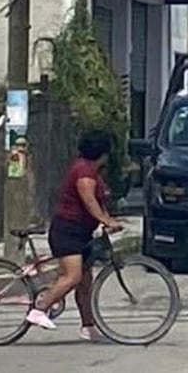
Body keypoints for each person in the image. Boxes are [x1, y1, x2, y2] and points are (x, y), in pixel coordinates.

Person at [26, 130, 122, 340]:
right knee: (73, 276)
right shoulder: (84, 174)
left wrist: (107, 219)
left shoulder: (92, 172)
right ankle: (39, 309)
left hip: (81, 232)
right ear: (103, 153)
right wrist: (105, 220)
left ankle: (88, 326)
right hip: (67, 231)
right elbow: (89, 202)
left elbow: (99, 202)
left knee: (85, 282)